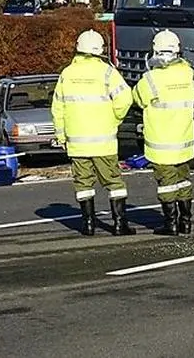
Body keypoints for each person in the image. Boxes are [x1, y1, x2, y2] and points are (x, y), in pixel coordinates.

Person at [51, 30, 135, 237]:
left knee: (83, 184)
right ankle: (119, 224)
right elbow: (125, 99)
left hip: (77, 143)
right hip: (103, 142)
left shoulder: (67, 74)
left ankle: (88, 225)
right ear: (100, 50)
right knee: (114, 183)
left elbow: (57, 108)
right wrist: (114, 120)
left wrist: (62, 136)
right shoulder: (107, 72)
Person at [133, 29, 194, 235]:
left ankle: (170, 224)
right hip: (185, 140)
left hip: (162, 142)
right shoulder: (188, 73)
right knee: (184, 180)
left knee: (167, 184)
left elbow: (138, 98)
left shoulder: (151, 78)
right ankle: (185, 222)